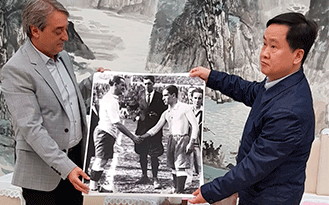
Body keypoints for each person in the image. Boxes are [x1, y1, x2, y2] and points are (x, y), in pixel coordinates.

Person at [188, 12, 317, 205]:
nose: (264, 53)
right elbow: (250, 91)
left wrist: (211, 191)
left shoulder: (290, 112)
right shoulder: (282, 83)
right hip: (256, 191)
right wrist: (212, 77)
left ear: (297, 55)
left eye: (274, 46)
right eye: (265, 43)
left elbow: (254, 166)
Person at [0, 0, 100, 204]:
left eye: (66, 29)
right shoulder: (17, 70)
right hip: (43, 178)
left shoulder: (62, 56)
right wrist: (67, 167)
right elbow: (31, 128)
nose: (65, 37)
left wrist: (96, 81)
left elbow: (67, 100)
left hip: (74, 164)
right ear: (35, 30)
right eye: (58, 31)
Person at [141, 85, 199, 193]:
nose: (163, 98)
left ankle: (180, 190)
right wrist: (142, 137)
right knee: (173, 166)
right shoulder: (166, 113)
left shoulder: (184, 108)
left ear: (173, 95)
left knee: (180, 166)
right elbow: (156, 128)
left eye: (165, 95)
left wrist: (191, 142)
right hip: (171, 139)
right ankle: (176, 188)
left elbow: (195, 126)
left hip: (183, 139)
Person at [89, 75, 140, 192]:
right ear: (115, 84)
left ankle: (95, 186)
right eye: (122, 85)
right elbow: (117, 123)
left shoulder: (110, 98)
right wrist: (132, 137)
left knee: (102, 160)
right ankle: (93, 187)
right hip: (104, 133)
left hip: (106, 133)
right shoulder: (111, 101)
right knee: (100, 160)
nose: (123, 87)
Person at [133, 76, 167, 189]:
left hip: (155, 130)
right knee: (142, 153)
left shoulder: (160, 96)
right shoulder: (140, 94)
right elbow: (134, 108)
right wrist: (136, 115)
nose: (147, 86)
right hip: (141, 129)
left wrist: (156, 115)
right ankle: (144, 175)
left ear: (154, 84)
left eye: (149, 84)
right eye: (145, 84)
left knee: (154, 154)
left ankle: (155, 178)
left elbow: (164, 111)